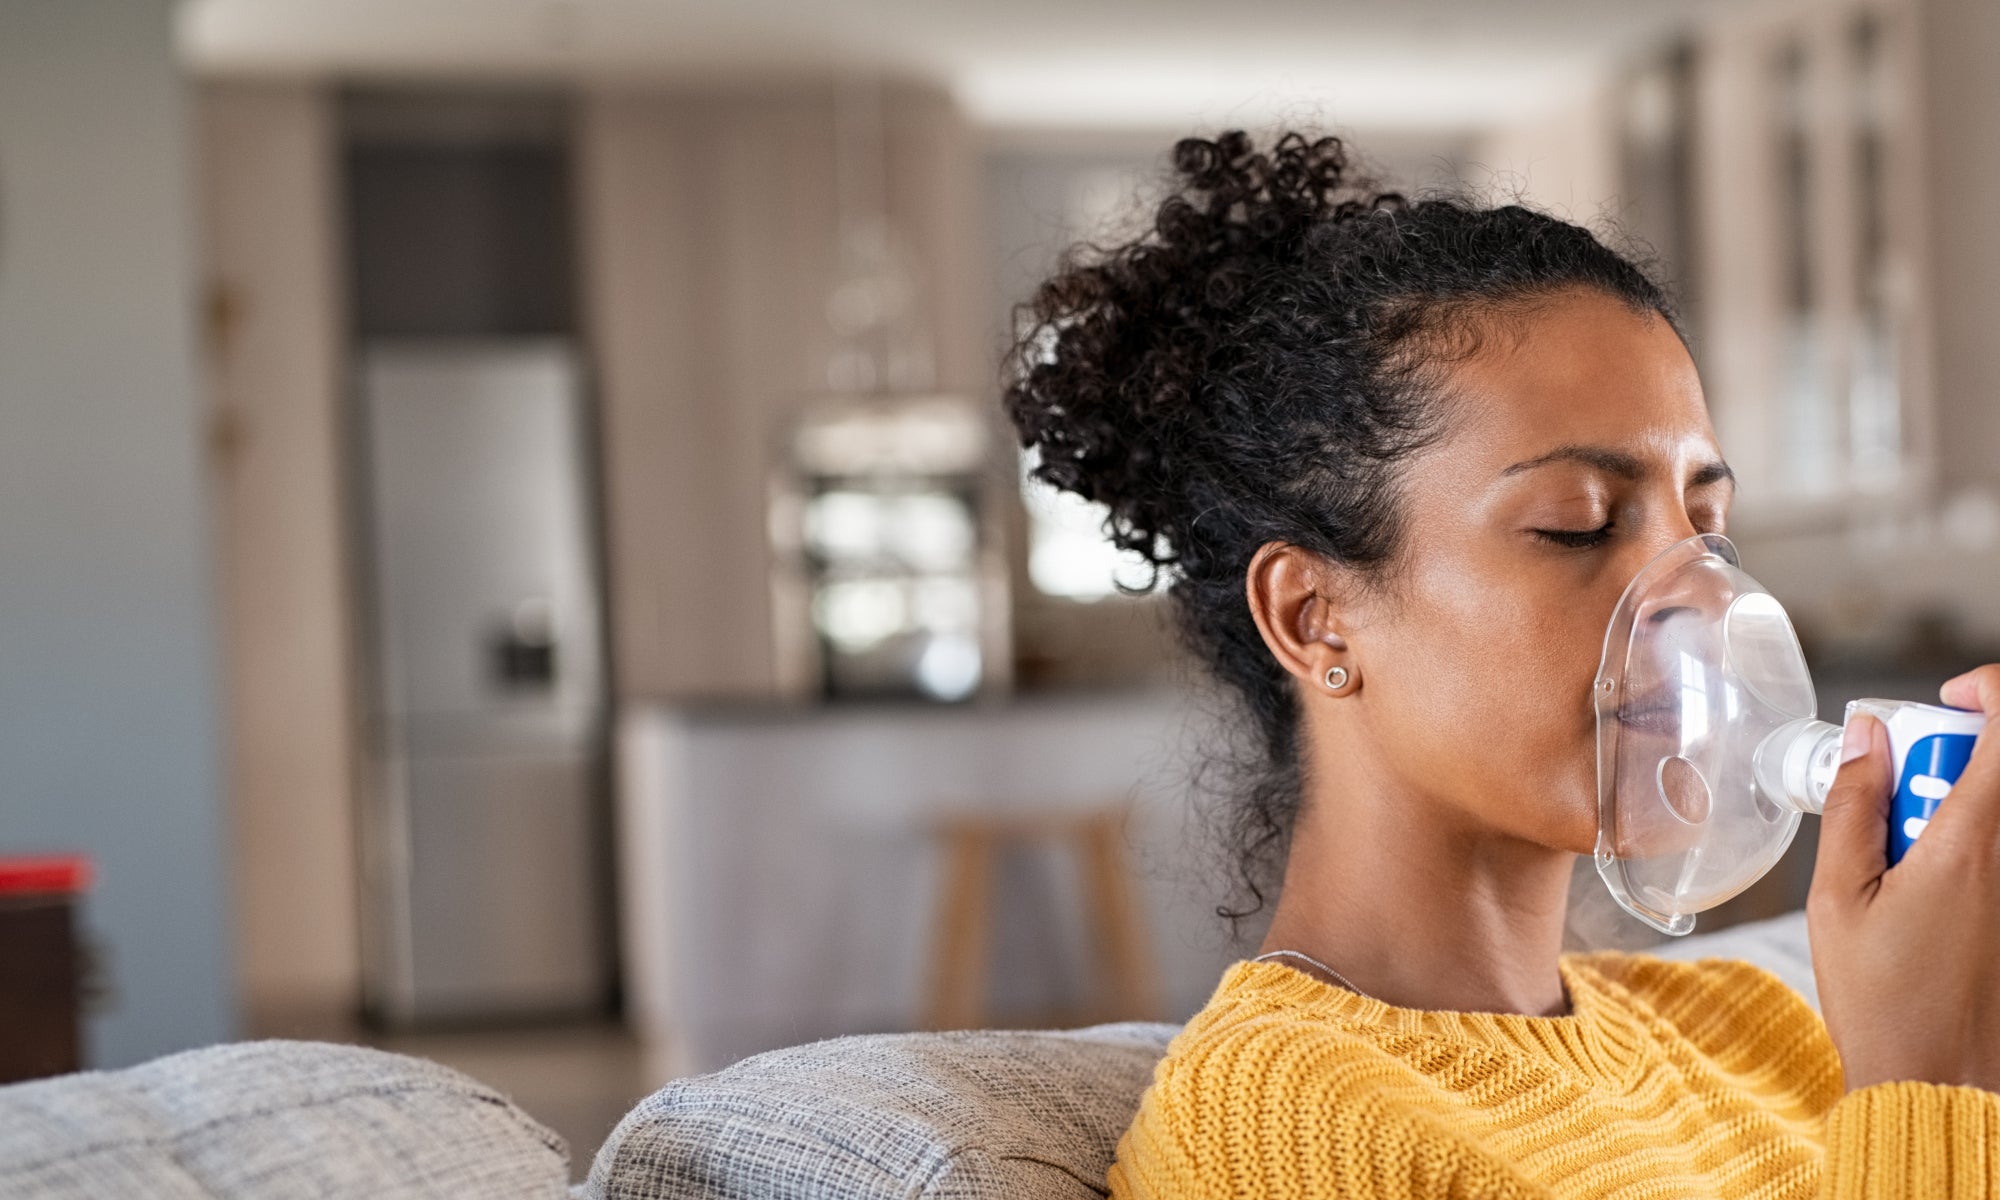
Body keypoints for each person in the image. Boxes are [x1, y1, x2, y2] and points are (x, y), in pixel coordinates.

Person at [1001, 129, 1999, 1198]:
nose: (1687, 608)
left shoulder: (1744, 1028)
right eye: (1575, 525)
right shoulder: (1287, 1132)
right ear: (1314, 617)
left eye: (1705, 528)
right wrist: (1922, 1077)